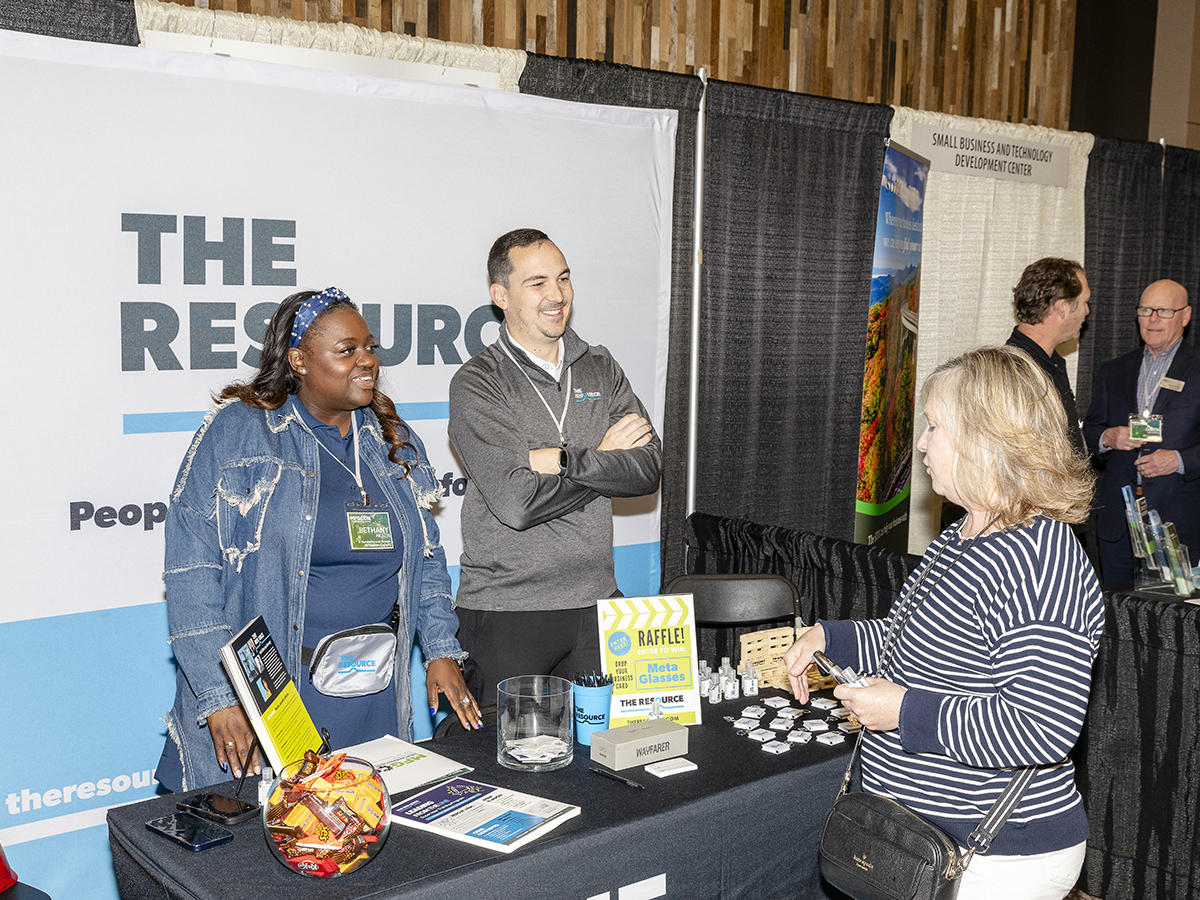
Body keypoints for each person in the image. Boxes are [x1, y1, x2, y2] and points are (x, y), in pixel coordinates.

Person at [785, 346, 1104, 900]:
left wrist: (903, 710)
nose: (921, 444)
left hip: (995, 854)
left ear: (987, 440)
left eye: (934, 426)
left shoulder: (1039, 558)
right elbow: (916, 642)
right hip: (928, 838)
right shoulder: (962, 535)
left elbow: (1041, 727)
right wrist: (829, 637)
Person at [158, 287, 480, 792]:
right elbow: (191, 574)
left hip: (372, 696)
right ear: (299, 361)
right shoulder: (240, 433)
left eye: (369, 347)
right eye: (347, 350)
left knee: (362, 826)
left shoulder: (390, 439)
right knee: (270, 838)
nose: (367, 361)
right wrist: (221, 696)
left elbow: (427, 558)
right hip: (270, 700)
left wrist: (440, 648)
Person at [448, 229, 662, 707]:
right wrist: (605, 457)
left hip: (598, 601)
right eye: (537, 282)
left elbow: (648, 469)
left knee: (605, 746)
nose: (557, 294)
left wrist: (561, 459)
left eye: (563, 278)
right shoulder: (478, 382)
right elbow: (517, 503)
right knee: (503, 748)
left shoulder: (601, 366)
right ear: (501, 296)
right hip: (508, 608)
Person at [1083, 279, 1200, 586]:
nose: (1152, 319)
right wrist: (1108, 438)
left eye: (1164, 311)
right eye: (1145, 310)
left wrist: (1179, 460)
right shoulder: (1113, 370)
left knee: (1171, 611)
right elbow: (1091, 429)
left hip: (1178, 522)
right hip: (1119, 524)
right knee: (1118, 609)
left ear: (1185, 316)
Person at [1005, 257, 1091, 455]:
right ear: (1062, 308)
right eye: (1085, 302)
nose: (1087, 311)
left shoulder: (1050, 363)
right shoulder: (1016, 374)